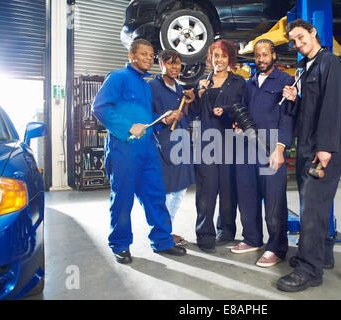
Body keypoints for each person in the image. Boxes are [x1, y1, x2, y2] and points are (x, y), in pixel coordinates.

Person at [92, 39, 187, 264]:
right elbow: (99, 107)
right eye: (143, 53)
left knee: (155, 195)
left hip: (147, 148)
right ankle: (120, 244)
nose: (148, 58)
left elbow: (145, 119)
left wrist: (165, 118)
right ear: (131, 55)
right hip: (124, 148)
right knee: (123, 198)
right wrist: (127, 127)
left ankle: (163, 241)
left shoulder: (145, 85)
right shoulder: (117, 78)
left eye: (150, 54)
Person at [277, 19, 341, 291]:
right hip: (308, 145)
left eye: (300, 37)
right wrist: (295, 99)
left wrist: (326, 148)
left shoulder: (329, 62)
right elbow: (309, 111)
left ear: (313, 32)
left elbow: (332, 107)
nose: (297, 44)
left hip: (323, 147)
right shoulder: (306, 69)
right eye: (293, 41)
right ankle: (316, 255)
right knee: (310, 207)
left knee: (314, 209)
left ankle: (310, 271)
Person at [230, 39, 295, 268]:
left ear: (273, 56)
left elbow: (288, 117)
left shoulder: (285, 81)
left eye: (265, 54)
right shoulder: (249, 84)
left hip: (271, 148)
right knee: (247, 197)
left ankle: (276, 248)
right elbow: (244, 112)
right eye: (257, 55)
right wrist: (238, 124)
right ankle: (252, 239)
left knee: (274, 201)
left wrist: (280, 147)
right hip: (248, 148)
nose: (261, 59)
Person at [190, 39, 246, 253]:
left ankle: (227, 230)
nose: (219, 60)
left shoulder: (238, 82)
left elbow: (243, 109)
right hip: (206, 144)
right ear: (210, 59)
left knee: (228, 189)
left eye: (223, 56)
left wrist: (227, 111)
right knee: (206, 190)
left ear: (229, 59)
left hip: (230, 143)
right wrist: (199, 94)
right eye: (216, 56)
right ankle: (205, 236)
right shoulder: (203, 82)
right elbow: (194, 111)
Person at [148, 50, 196, 247]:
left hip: (182, 144)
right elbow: (144, 115)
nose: (175, 67)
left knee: (180, 188)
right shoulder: (151, 86)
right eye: (170, 63)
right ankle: (161, 235)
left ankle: (166, 230)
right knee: (167, 191)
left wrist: (189, 103)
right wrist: (164, 118)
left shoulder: (179, 88)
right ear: (161, 64)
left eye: (178, 63)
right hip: (164, 145)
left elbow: (184, 114)